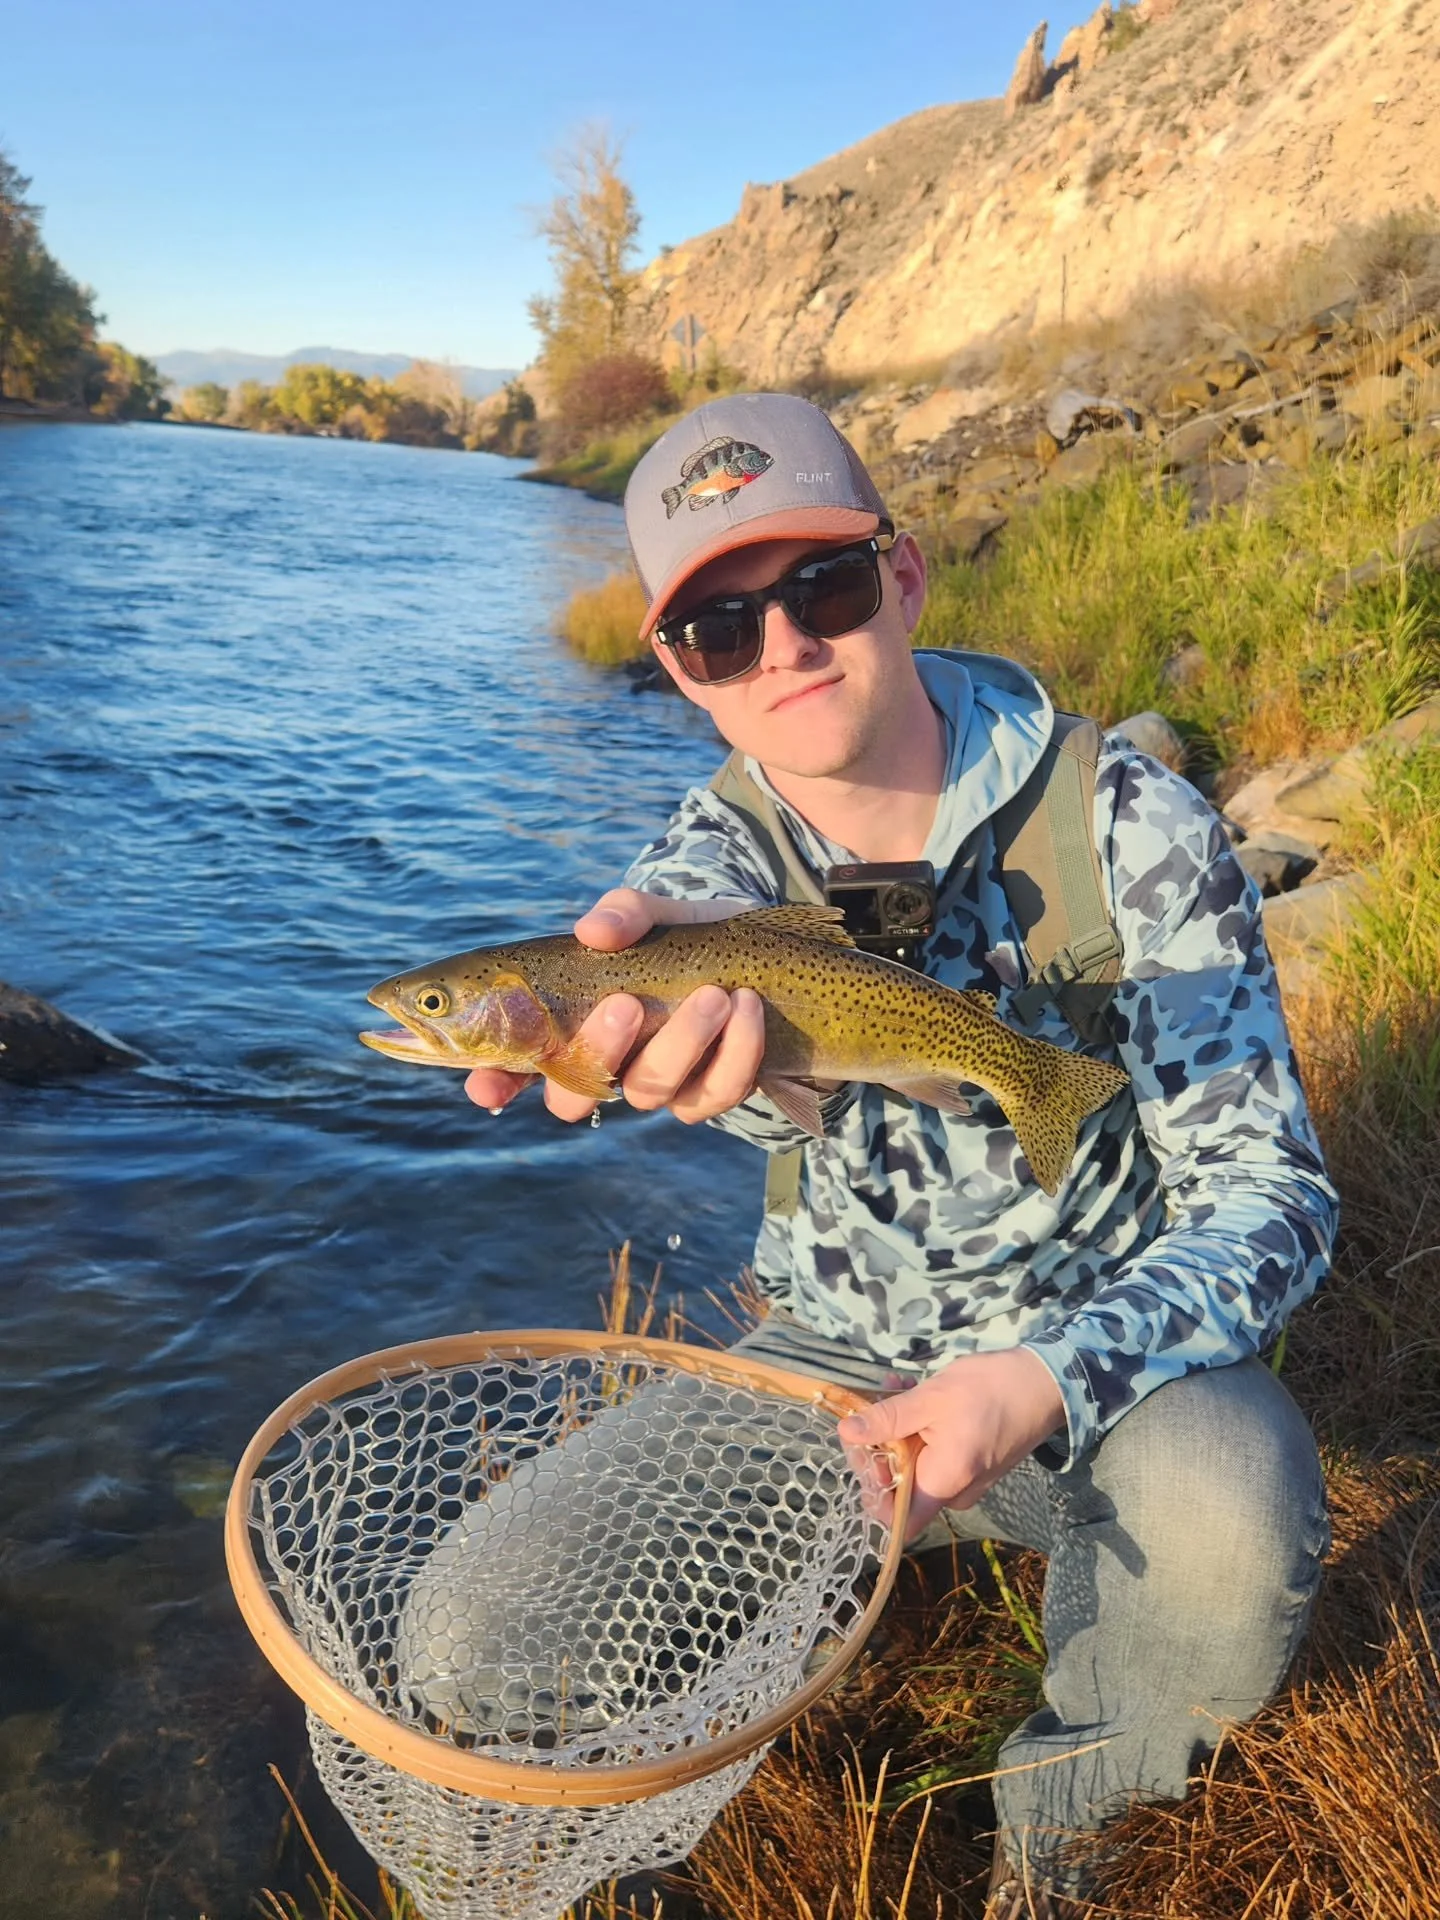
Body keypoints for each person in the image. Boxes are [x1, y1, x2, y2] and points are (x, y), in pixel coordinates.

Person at [465, 392, 1338, 1916]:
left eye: (824, 586)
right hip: (834, 1373)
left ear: (909, 572)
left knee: (1235, 1503)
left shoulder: (1134, 827)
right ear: (676, 670)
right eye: (719, 630)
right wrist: (686, 1060)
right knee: (480, 1641)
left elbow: (1277, 1199)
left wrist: (1039, 1382)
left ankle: (1061, 1860)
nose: (784, 646)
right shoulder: (702, 880)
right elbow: (657, 932)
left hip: (1110, 1374)